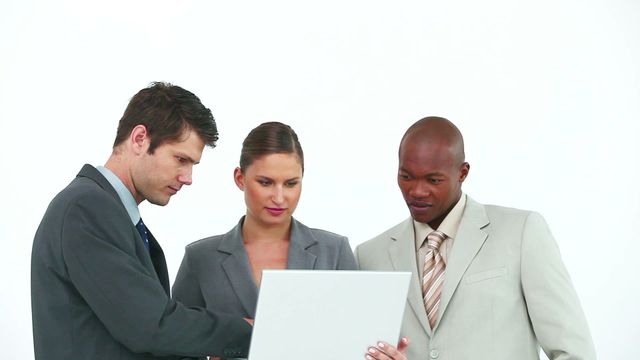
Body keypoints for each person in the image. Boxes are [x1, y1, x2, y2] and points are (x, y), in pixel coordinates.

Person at [31, 82, 252, 360]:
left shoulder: (111, 213)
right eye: (180, 159)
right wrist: (246, 332)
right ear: (139, 139)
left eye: (192, 165)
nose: (188, 177)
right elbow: (150, 326)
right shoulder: (86, 208)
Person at [356, 117, 596, 360]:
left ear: (463, 172)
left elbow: (574, 353)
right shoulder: (369, 256)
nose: (417, 191)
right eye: (406, 177)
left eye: (433, 180)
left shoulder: (521, 233)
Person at [172, 122, 357, 338]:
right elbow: (175, 341)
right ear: (240, 179)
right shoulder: (201, 258)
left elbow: (356, 338)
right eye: (266, 182)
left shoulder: (334, 251)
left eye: (290, 184)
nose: (279, 198)